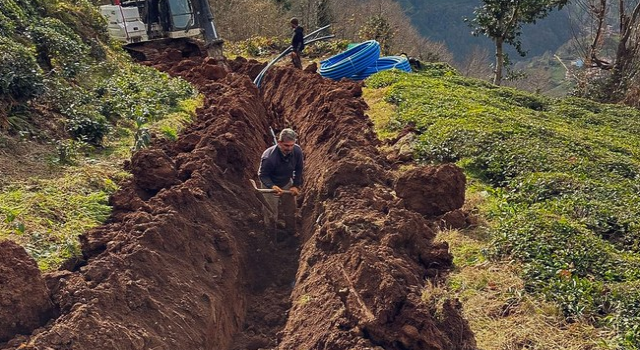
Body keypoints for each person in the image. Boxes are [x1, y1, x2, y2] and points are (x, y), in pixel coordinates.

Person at [258, 128, 304, 232]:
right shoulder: (269, 157)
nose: (289, 148)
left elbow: (299, 169)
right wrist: (272, 186)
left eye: (292, 145)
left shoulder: (297, 151)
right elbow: (263, 175)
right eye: (286, 145)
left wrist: (296, 185)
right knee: (271, 212)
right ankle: (270, 234)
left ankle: (291, 232)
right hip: (270, 184)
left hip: (286, 181)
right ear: (279, 143)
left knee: (290, 209)